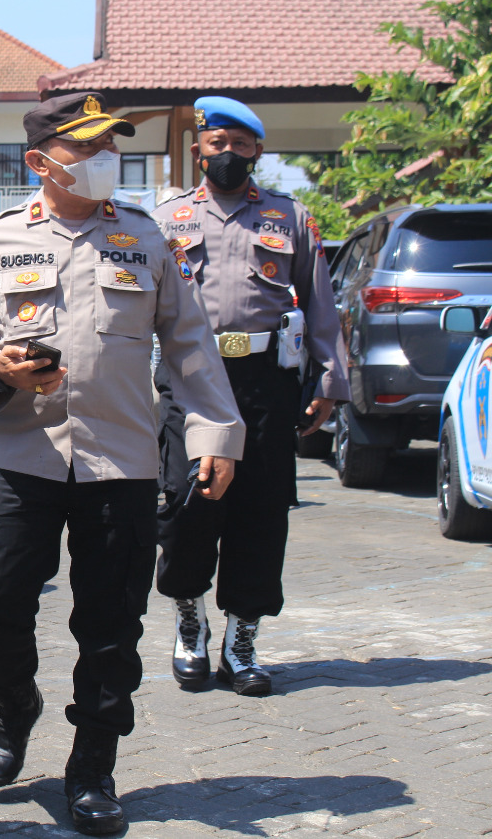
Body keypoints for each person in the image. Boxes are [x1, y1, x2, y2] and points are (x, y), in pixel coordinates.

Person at [0, 92, 244, 836]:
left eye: (112, 144)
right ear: (40, 162)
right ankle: (14, 702)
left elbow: (190, 341)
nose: (107, 156)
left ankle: (93, 764)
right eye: (88, 146)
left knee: (110, 625)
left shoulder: (145, 237)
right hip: (22, 456)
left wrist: (215, 433)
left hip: (122, 460)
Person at [152, 97, 349, 697]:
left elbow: (320, 304)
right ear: (198, 151)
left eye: (241, 145)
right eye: (219, 144)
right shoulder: (166, 220)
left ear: (258, 151)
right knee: (186, 504)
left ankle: (242, 641)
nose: (230, 154)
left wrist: (330, 381)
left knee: (260, 512)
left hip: (265, 380)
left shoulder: (290, 217)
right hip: (189, 378)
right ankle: (190, 621)